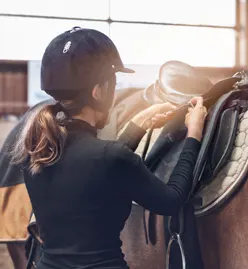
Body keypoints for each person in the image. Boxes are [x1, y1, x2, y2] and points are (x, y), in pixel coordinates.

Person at [11, 26, 207, 269]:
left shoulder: (38, 153)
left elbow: (93, 173)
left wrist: (138, 125)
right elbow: (171, 200)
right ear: (98, 91)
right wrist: (194, 134)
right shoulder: (111, 158)